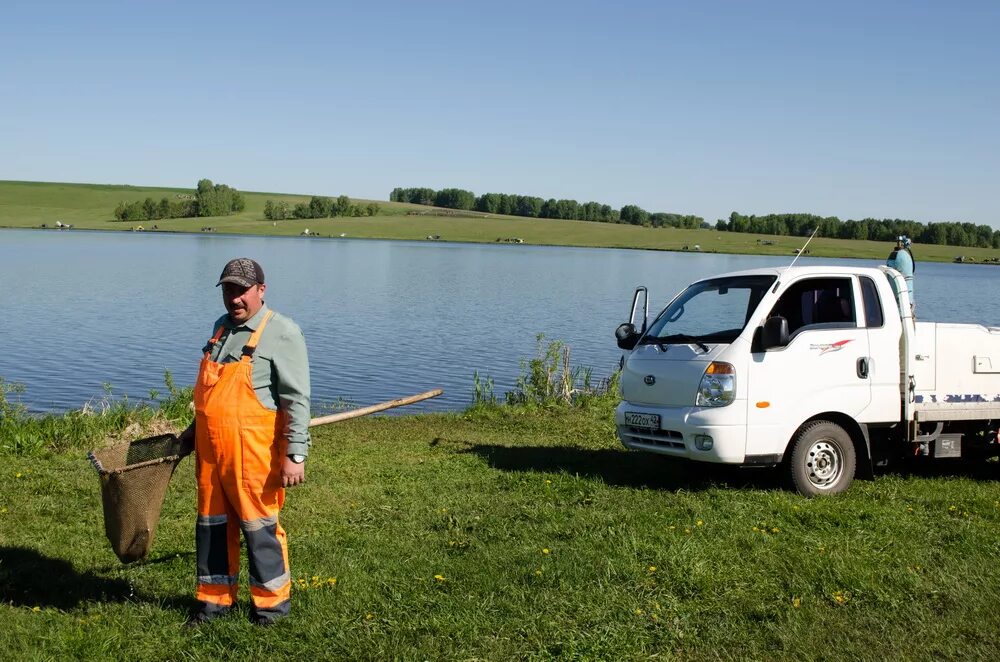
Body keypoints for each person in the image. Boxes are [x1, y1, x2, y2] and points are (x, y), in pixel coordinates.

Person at [179, 257, 311, 627]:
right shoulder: (220, 329)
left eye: (242, 290)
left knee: (260, 530)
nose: (234, 298)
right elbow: (211, 394)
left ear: (261, 290)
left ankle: (270, 609)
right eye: (228, 290)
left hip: (253, 455)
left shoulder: (282, 332)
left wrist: (295, 454)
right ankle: (213, 604)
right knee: (212, 528)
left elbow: (296, 400)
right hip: (210, 455)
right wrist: (194, 428)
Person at [886, 235, 915, 308]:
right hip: (906, 301)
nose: (899, 243)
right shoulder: (904, 255)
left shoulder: (897, 255)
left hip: (895, 300)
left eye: (900, 242)